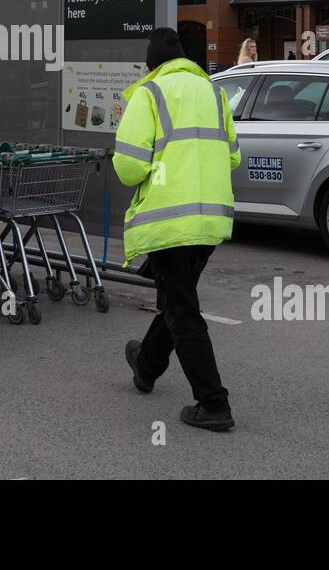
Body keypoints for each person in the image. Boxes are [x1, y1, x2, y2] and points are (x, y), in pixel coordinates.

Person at [113, 27, 241, 431]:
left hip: (169, 219)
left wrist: (159, 170)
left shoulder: (149, 94)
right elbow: (233, 157)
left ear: (151, 65)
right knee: (177, 298)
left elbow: (129, 166)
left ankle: (213, 403)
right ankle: (146, 364)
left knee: (182, 309)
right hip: (210, 218)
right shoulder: (215, 94)